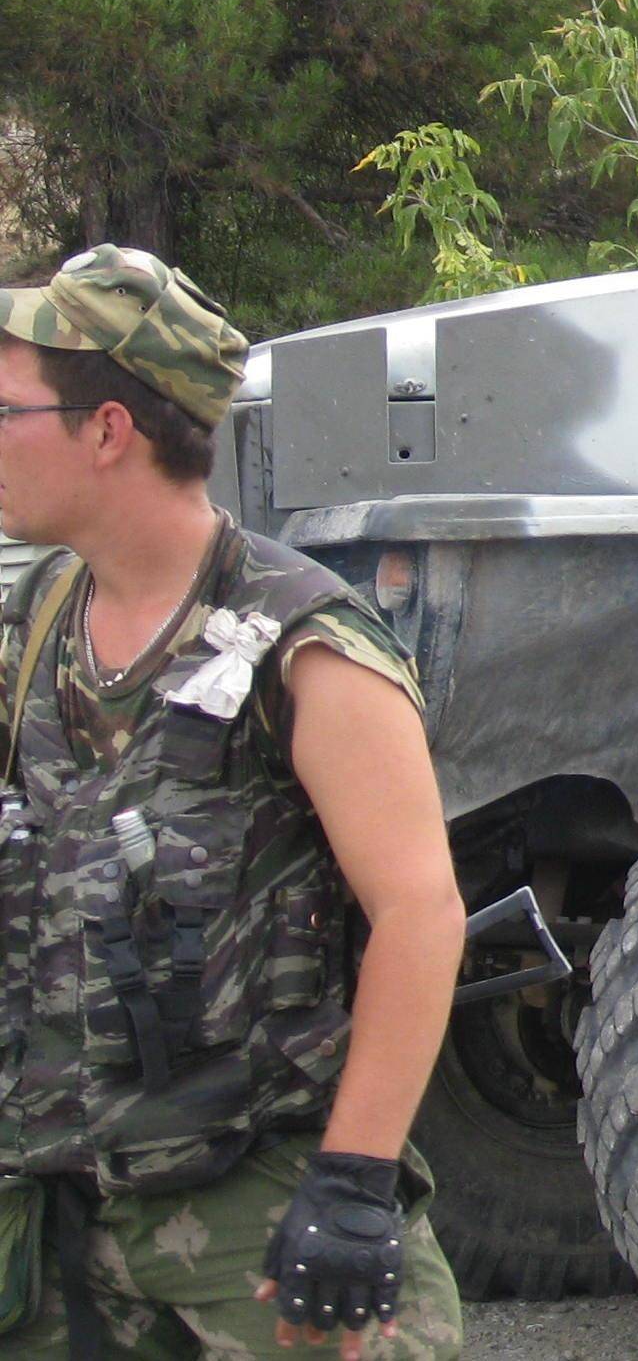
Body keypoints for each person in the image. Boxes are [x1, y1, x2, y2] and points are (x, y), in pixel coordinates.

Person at [0, 246, 467, 1361]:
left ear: (107, 429)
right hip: (52, 1212)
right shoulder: (38, 619)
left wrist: (353, 1188)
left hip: (246, 1217)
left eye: (5, 407)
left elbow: (421, 914)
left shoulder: (308, 647)